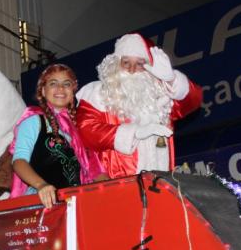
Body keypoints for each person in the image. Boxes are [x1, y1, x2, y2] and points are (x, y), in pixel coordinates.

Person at [76, 33, 203, 178]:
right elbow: (86, 130)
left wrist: (172, 79)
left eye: (139, 64)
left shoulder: (160, 94)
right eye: (126, 63)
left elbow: (194, 100)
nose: (131, 69)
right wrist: (133, 133)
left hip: (161, 181)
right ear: (116, 64)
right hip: (117, 182)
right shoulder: (100, 92)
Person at [10, 63, 106, 208]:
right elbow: (19, 161)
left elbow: (94, 169)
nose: (60, 88)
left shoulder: (78, 129)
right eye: (53, 83)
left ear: (73, 90)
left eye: (66, 84)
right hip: (41, 205)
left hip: (73, 206)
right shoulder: (34, 120)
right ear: (43, 90)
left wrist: (112, 186)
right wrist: (41, 185)